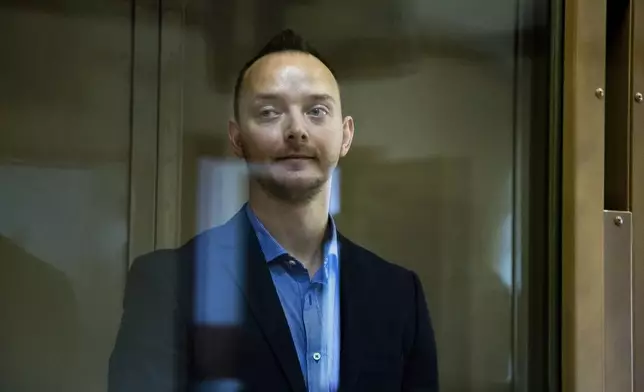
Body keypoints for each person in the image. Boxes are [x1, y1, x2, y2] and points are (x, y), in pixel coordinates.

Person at [108, 29, 438, 392]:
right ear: (237, 138)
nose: (296, 130)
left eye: (317, 111)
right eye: (269, 112)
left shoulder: (398, 295)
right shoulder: (167, 284)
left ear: (346, 135)